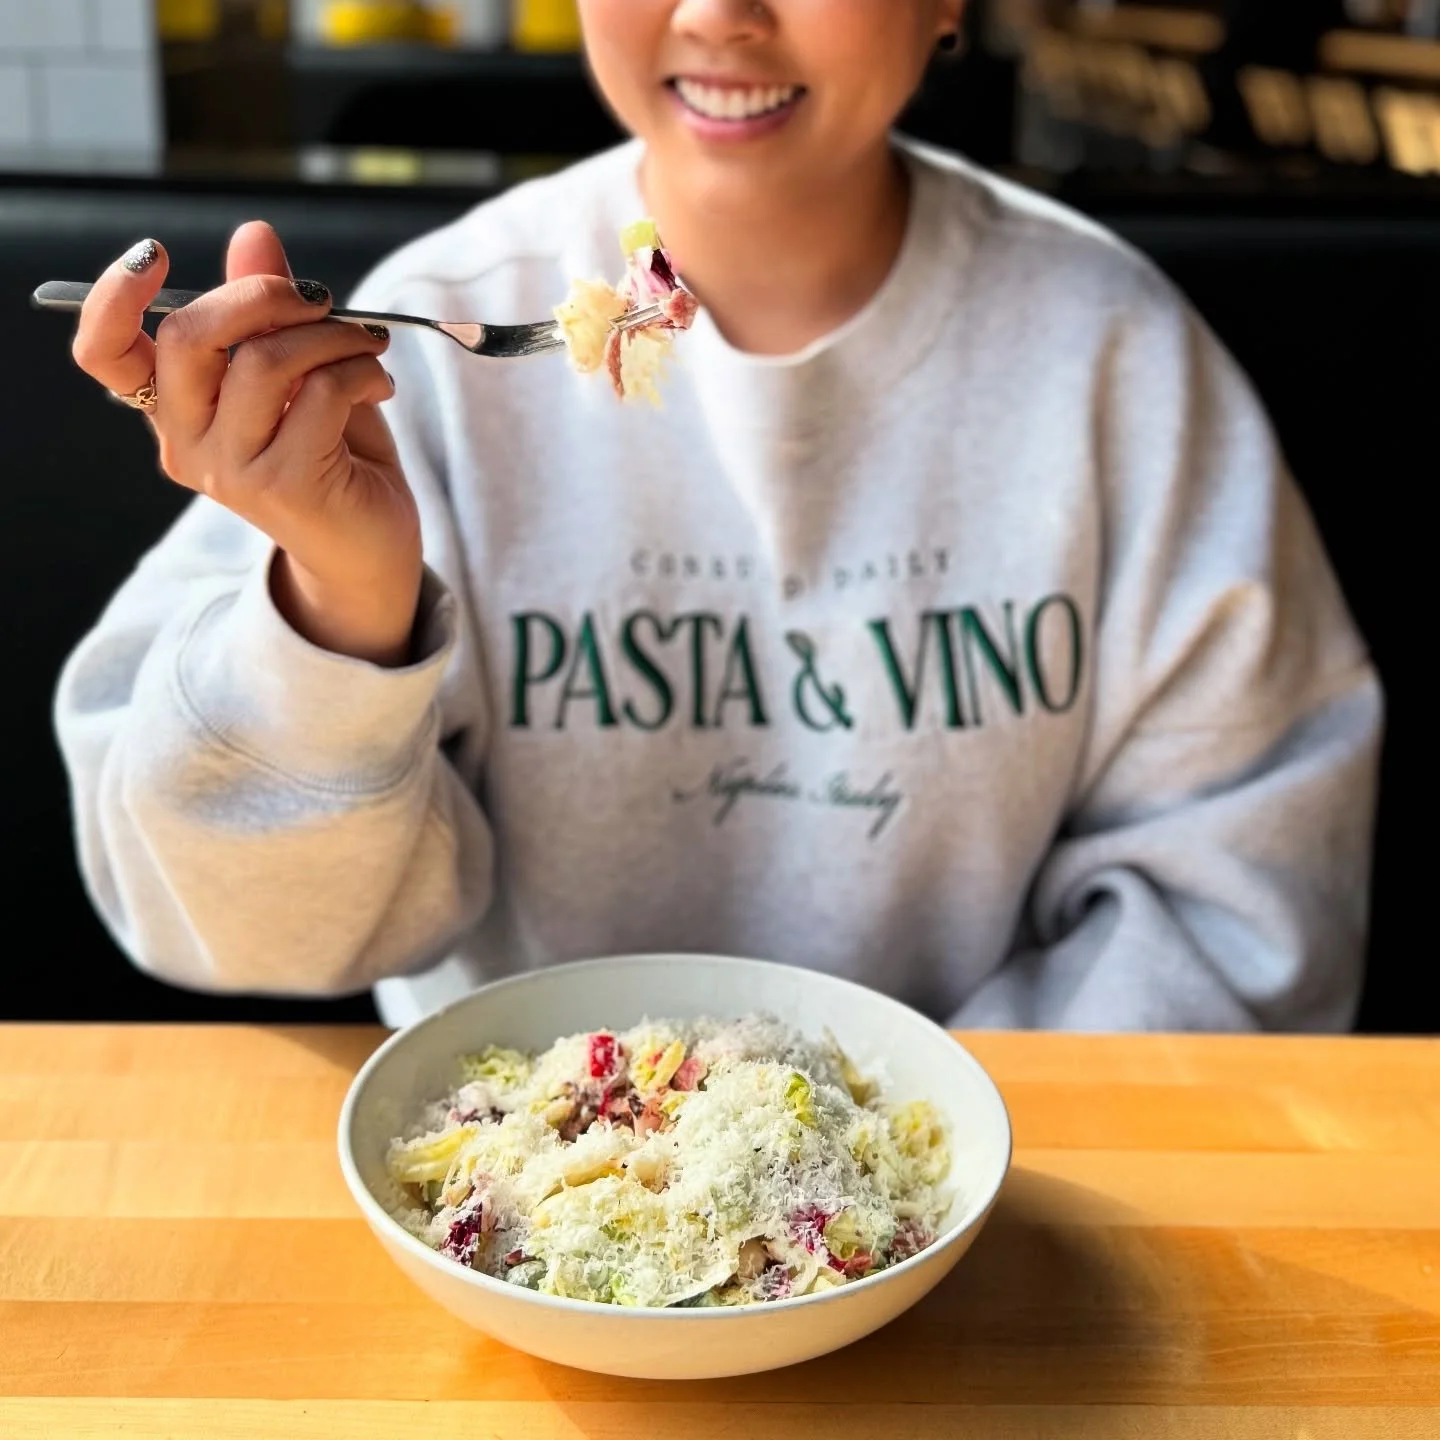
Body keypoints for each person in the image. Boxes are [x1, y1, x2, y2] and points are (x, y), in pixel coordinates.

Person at [55, 0, 1381, 1031]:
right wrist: (343, 604)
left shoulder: (1110, 355)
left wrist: (921, 1154)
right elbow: (226, 922)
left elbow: (1243, 908)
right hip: (520, 1215)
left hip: (995, 1222)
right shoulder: (435, 342)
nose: (718, 12)